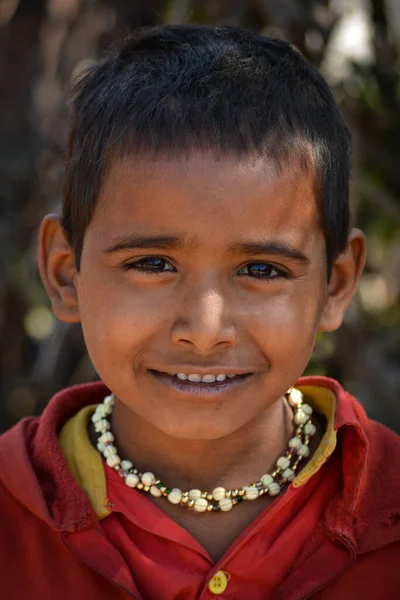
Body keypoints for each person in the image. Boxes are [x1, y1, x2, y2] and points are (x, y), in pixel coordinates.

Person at [0, 24, 399, 600]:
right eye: (152, 263)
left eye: (261, 270)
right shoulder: (16, 515)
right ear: (66, 272)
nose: (206, 330)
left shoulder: (385, 509)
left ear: (335, 285)